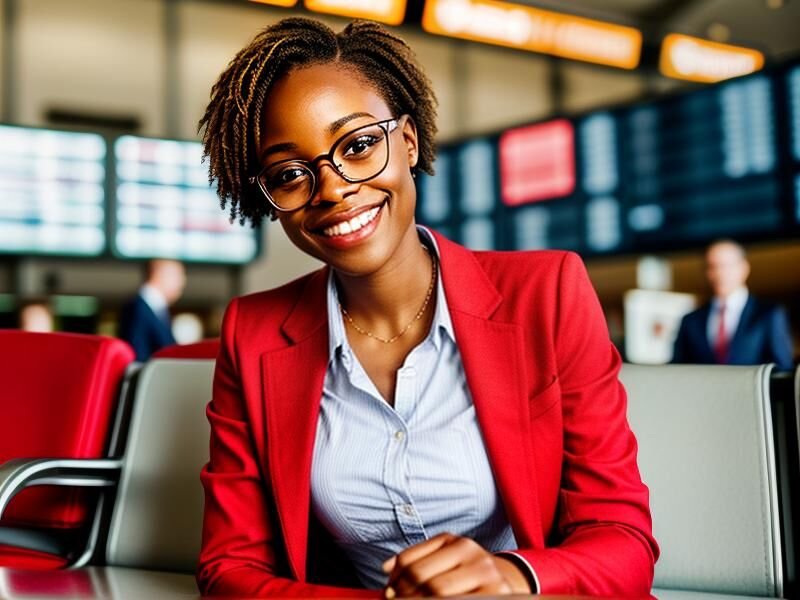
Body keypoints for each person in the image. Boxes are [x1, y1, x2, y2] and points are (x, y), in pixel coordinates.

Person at [197, 17, 658, 598]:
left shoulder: (548, 292)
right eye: (291, 173)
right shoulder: (253, 332)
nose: (333, 188)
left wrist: (514, 577)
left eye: (360, 145)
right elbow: (228, 570)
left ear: (408, 142)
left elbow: (622, 543)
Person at [672, 239, 794, 370]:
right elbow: (678, 369)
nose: (719, 273)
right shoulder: (691, 321)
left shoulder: (768, 314)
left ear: (744, 268)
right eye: (712, 266)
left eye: (726, 266)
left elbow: (783, 369)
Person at [118, 258, 186, 361]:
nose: (182, 282)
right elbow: (136, 358)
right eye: (178, 275)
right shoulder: (138, 310)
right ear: (159, 274)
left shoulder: (157, 310)